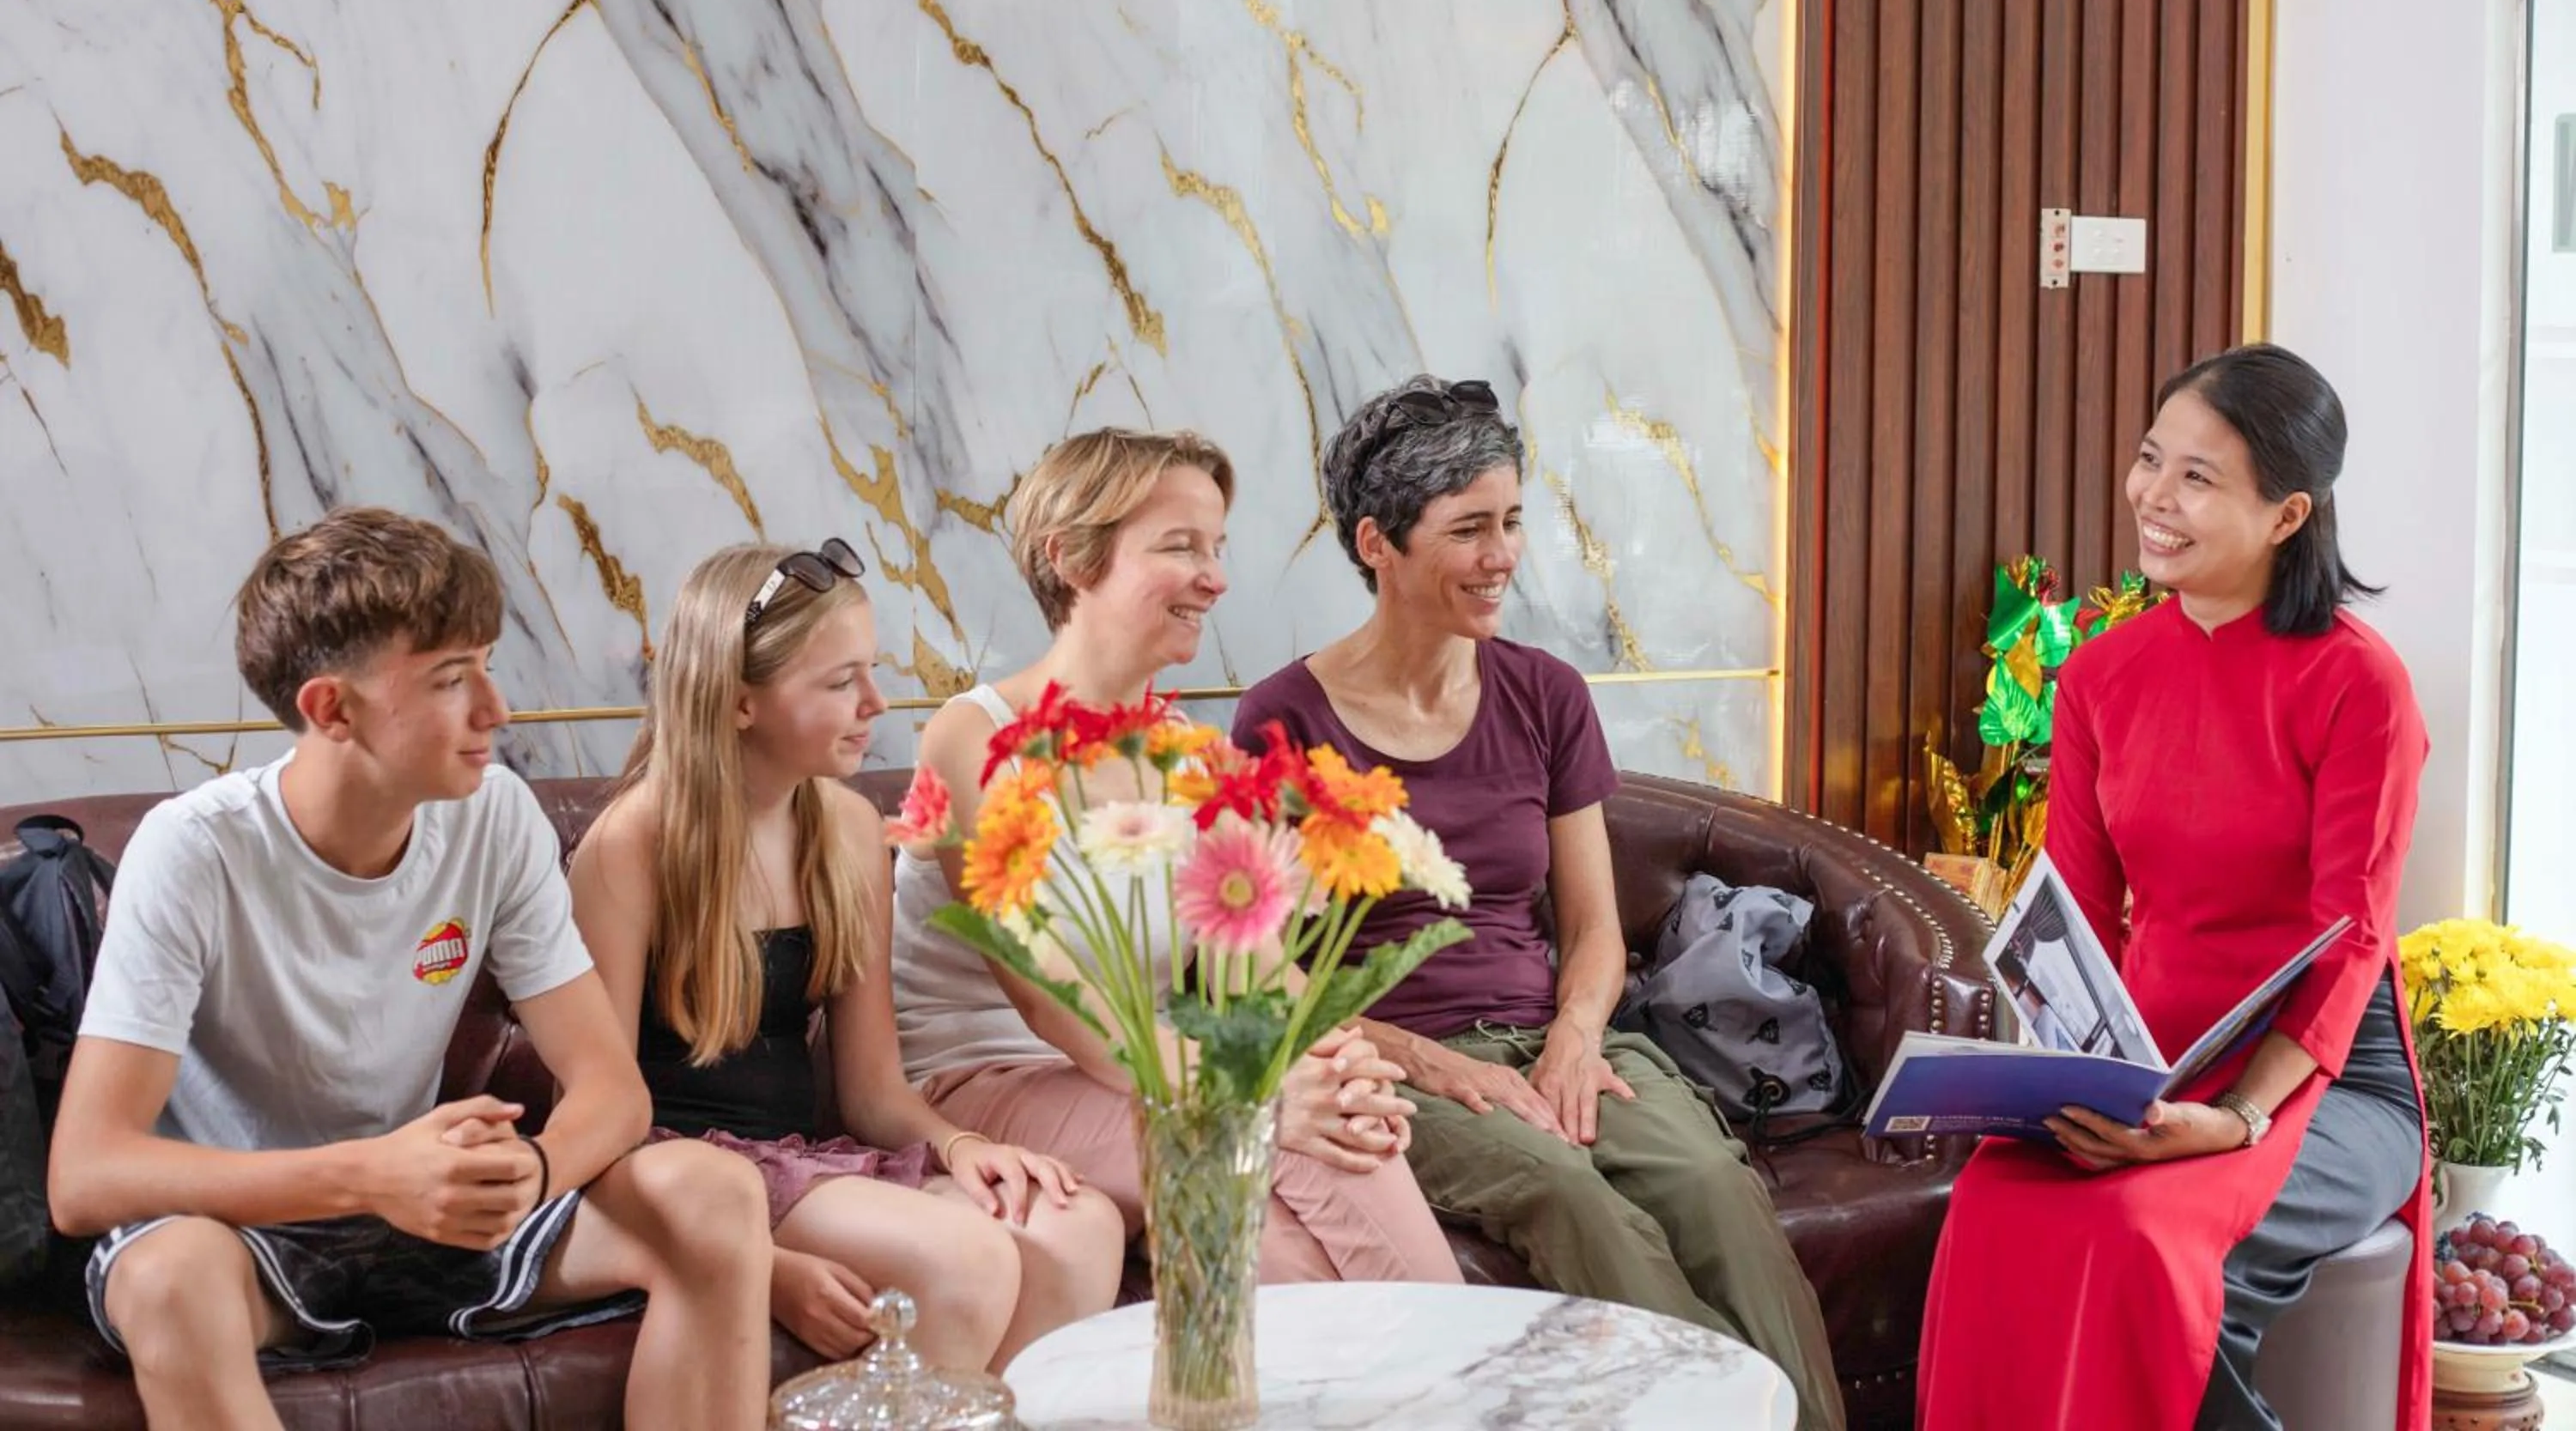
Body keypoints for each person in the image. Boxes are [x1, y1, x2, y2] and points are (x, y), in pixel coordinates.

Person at [47, 508, 774, 1431]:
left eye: (487, 663)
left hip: (428, 1217)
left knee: (711, 1193)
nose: (495, 709)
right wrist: (372, 1175)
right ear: (330, 708)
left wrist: (531, 1170)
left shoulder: (495, 817)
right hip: (246, 1234)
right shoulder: (194, 849)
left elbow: (612, 1092)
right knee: (165, 1278)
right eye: (449, 678)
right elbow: (87, 1172)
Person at [1230, 377, 1846, 1431]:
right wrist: (1431, 1062)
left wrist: (1572, 1036)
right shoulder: (1282, 718)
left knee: (1710, 1182)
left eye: (1512, 520)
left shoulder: (1545, 692)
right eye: (1469, 528)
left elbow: (1596, 925)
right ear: (1378, 541)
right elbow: (1263, 977)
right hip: (1389, 1061)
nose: (1503, 553)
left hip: (1552, 1035)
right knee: (1568, 1195)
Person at [1917, 343, 2433, 1430]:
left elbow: (2351, 940)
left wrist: (2239, 1118)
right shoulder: (2104, 673)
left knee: (2147, 1239)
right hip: (2154, 1060)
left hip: (2325, 1081)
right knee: (1991, 1207)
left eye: (2198, 476)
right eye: (2153, 459)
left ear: (2288, 514)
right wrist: (2056, 1074)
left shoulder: (2359, 683)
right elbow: (2072, 917)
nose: (2154, 495)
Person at [895, 427, 1461, 1284]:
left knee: (1295, 1219)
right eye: (1180, 546)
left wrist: (1346, 1065)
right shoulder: (972, 737)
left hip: (1147, 1074)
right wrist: (1254, 1092)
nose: (1217, 577)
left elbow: (1264, 970)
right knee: (1290, 1144)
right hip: (989, 1076)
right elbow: (1051, 996)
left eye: (1218, 548)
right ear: (1074, 559)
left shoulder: (1193, 758)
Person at [570, 539, 1125, 1370]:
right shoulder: (630, 846)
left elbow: (871, 1090)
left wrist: (961, 1145)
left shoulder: (848, 828)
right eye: (840, 682)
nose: (875, 702)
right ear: (739, 700)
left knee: (1080, 1225)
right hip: (682, 1179)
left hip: (802, 1163)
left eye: (870, 671)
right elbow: (593, 1134)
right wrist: (762, 1267)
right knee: (965, 1259)